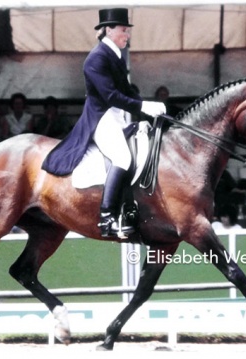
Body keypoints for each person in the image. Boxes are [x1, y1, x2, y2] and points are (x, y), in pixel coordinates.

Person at [41, 8, 166, 237]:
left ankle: (130, 207)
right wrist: (143, 107)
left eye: (127, 31)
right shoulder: (96, 58)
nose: (127, 35)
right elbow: (110, 95)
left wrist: (149, 107)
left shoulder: (116, 55)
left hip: (118, 116)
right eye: (124, 30)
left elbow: (127, 90)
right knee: (123, 157)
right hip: (101, 117)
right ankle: (107, 217)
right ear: (108, 29)